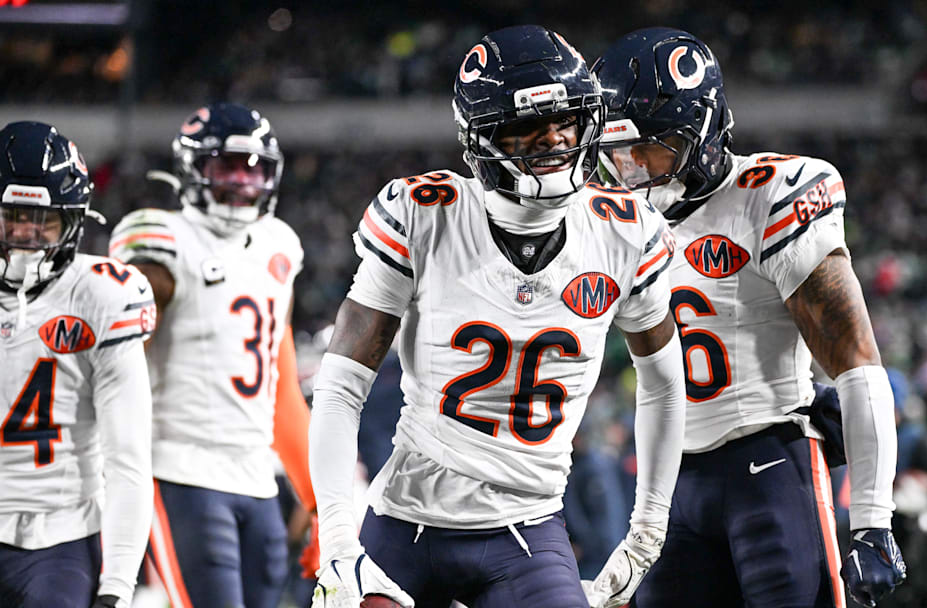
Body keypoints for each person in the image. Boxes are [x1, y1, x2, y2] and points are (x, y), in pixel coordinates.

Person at [308, 25, 686, 608]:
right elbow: (339, 388)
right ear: (482, 138)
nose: (555, 140)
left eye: (566, 121)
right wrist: (336, 542)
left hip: (528, 530)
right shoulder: (424, 214)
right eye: (527, 127)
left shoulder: (625, 231)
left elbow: (663, 387)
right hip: (406, 520)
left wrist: (646, 536)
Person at [592, 28, 906, 608]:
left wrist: (871, 518)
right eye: (618, 151)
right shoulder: (607, 219)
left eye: (650, 147)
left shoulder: (769, 195)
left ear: (702, 132)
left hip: (766, 467)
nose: (632, 168)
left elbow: (857, 362)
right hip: (669, 487)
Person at [108, 102, 316, 608]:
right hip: (180, 467)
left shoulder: (278, 245)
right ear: (194, 170)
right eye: (227, 166)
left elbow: (281, 385)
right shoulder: (162, 237)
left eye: (255, 168)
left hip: (256, 477)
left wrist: (317, 498)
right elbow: (115, 368)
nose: (243, 182)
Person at [0, 121, 154, 607]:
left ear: (72, 221)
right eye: (12, 216)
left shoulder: (100, 297)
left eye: (41, 220)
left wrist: (117, 587)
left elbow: (128, 459)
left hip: (61, 535)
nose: (25, 234)